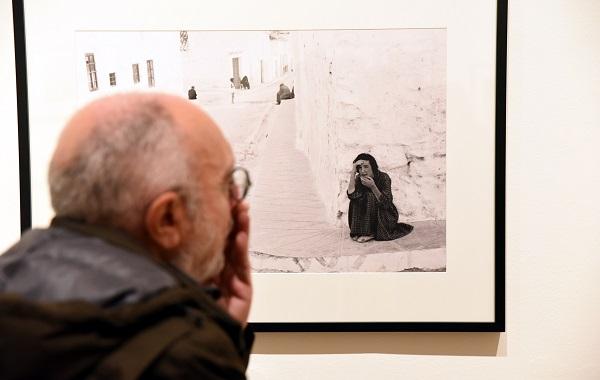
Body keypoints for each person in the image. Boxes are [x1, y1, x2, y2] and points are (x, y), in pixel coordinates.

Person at [0, 93, 254, 379]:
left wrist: (217, 324)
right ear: (167, 219)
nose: (237, 203)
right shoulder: (180, 354)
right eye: (225, 185)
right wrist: (212, 344)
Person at [347, 153, 413, 243]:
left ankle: (370, 233)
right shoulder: (359, 178)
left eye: (366, 167)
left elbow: (386, 203)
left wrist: (373, 187)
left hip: (385, 215)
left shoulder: (384, 177)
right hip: (370, 216)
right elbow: (351, 195)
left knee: (369, 196)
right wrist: (353, 171)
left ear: (373, 167)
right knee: (356, 199)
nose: (363, 171)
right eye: (360, 168)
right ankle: (359, 230)